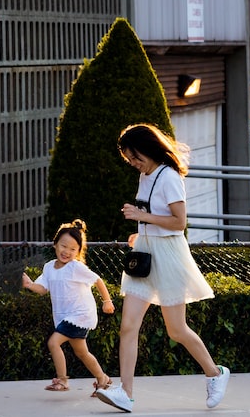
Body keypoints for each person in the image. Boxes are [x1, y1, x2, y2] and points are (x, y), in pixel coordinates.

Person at [95, 124, 230, 412]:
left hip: (168, 254)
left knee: (176, 329)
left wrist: (142, 216)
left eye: (135, 157)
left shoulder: (169, 177)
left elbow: (179, 222)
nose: (133, 164)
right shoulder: (146, 175)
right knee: (128, 326)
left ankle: (215, 374)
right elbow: (154, 217)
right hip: (145, 252)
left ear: (148, 149)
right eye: (129, 159)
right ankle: (126, 394)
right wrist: (141, 230)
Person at [22, 219, 115, 395]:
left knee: (53, 342)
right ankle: (102, 378)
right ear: (55, 244)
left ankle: (63, 380)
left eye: (73, 249)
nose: (67, 252)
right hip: (65, 317)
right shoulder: (49, 267)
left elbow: (97, 280)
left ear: (78, 252)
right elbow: (42, 289)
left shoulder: (75, 267)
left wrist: (107, 301)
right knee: (82, 353)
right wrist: (29, 285)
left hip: (80, 315)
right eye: (64, 246)